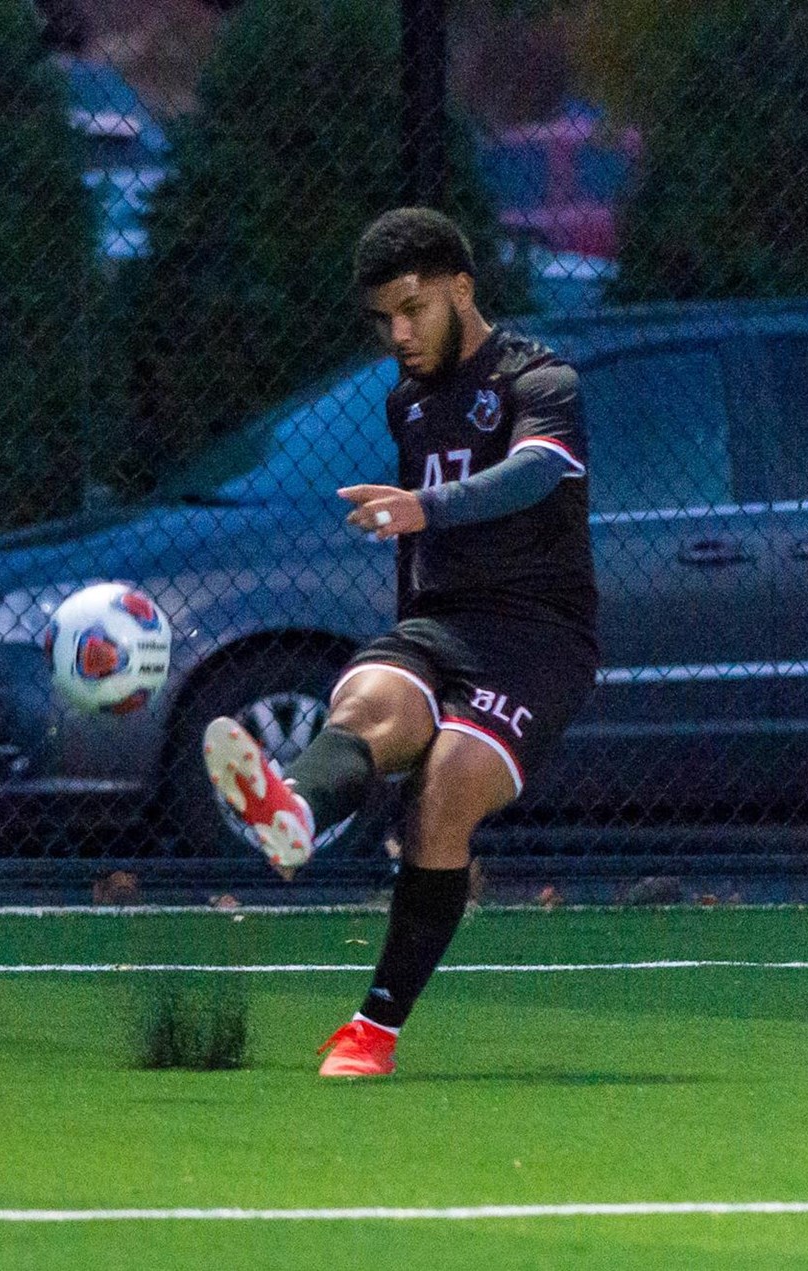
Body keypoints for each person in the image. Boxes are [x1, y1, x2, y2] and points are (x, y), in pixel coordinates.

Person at [203, 207, 600, 1077]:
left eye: (414, 308)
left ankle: (373, 1029)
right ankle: (297, 813)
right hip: (440, 622)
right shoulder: (409, 402)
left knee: (446, 788)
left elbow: (537, 472)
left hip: (535, 638)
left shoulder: (542, 378)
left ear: (462, 288)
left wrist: (428, 505)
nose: (399, 331)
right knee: (364, 702)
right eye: (385, 316)